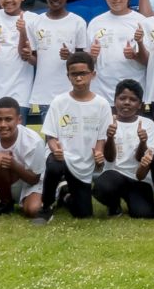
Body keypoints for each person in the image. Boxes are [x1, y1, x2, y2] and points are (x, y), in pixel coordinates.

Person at [37, 50, 109, 223]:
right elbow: (50, 136)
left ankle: (65, 195)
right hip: (62, 157)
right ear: (68, 75)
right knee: (54, 166)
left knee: (83, 214)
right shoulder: (59, 102)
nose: (78, 78)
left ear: (93, 74)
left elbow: (101, 139)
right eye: (74, 74)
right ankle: (46, 206)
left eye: (83, 74)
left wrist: (99, 155)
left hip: (84, 163)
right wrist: (56, 150)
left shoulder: (102, 104)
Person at [26, 0, 89, 118]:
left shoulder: (78, 22)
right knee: (50, 137)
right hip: (45, 93)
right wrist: (27, 56)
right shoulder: (35, 23)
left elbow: (84, 59)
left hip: (72, 91)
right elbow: (35, 59)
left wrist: (70, 57)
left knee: (72, 133)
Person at [93, 80, 154, 219]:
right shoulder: (107, 122)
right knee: (102, 187)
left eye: (133, 99)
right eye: (122, 98)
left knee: (144, 214)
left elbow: (141, 159)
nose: (127, 102)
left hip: (139, 179)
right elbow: (109, 158)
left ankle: (131, 198)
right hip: (114, 175)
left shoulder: (147, 124)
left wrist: (143, 141)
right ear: (115, 101)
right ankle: (114, 205)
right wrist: (110, 137)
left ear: (140, 104)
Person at [0, 96, 47, 218]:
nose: (3, 124)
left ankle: (58, 192)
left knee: (33, 211)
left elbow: (34, 179)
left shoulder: (34, 141)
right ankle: (5, 202)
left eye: (8, 119)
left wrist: (13, 164)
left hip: (33, 183)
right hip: (11, 181)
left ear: (19, 119)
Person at [87, 0, 146, 106]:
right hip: (101, 93)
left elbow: (148, 61)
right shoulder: (96, 23)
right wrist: (92, 55)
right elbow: (88, 61)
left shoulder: (141, 22)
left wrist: (135, 55)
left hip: (133, 94)